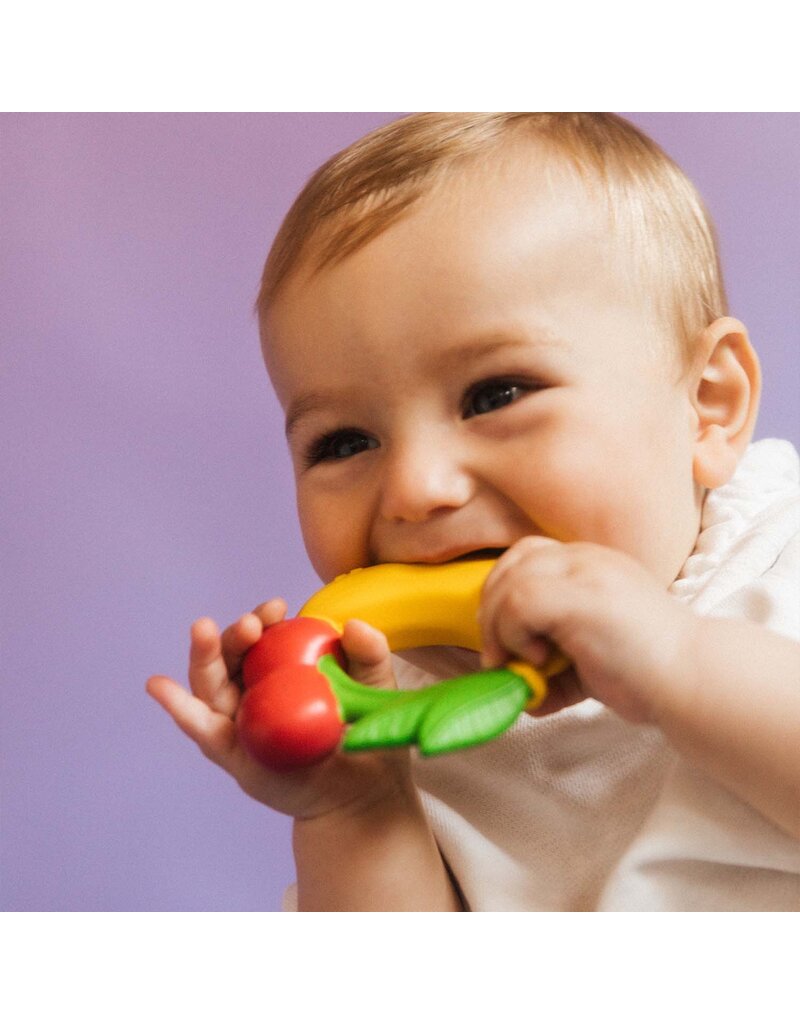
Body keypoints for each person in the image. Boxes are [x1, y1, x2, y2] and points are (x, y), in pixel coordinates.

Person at [147, 113, 800, 911]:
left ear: (708, 407)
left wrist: (678, 660)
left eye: (496, 395)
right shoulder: (397, 707)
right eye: (344, 442)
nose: (417, 487)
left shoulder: (778, 562)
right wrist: (355, 807)